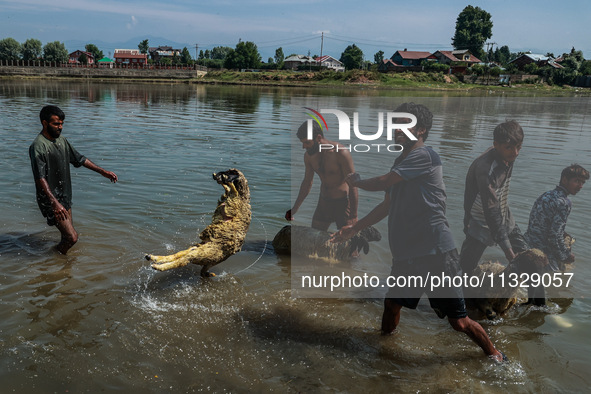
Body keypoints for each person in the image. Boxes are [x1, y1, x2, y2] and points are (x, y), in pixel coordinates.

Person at [331, 103, 506, 362]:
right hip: (408, 254)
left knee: (459, 322)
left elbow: (383, 183)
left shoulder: (425, 155)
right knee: (391, 305)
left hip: (436, 252)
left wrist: (356, 181)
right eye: (395, 124)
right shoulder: (401, 160)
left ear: (421, 130)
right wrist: (354, 228)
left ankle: (496, 356)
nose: (396, 129)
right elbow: (387, 205)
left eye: (404, 124)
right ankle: (384, 352)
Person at [29, 105, 118, 254]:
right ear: (44, 123)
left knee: (67, 236)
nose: (60, 127)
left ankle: (61, 261)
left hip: (64, 196)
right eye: (56, 124)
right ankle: (52, 258)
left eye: (62, 124)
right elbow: (40, 178)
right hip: (51, 199)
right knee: (72, 237)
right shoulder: (38, 146)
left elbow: (79, 159)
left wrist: (102, 171)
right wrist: (54, 203)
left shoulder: (62, 141)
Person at [459, 121, 529, 276]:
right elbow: (490, 211)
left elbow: (496, 208)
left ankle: (533, 299)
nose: (515, 153)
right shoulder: (486, 169)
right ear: (496, 145)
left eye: (519, 147)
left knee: (527, 257)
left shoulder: (508, 154)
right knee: (465, 268)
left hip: (503, 213)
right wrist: (507, 250)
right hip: (480, 220)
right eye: (509, 147)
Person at [286, 120, 358, 231]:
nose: (304, 147)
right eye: (302, 143)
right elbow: (307, 182)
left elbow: (353, 184)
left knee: (349, 243)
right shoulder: (309, 156)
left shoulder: (341, 153)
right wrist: (295, 208)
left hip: (343, 204)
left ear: (319, 138)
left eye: (307, 143)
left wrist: (353, 216)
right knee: (314, 239)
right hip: (323, 203)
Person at [525, 164, 588, 271]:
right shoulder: (564, 202)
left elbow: (541, 224)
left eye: (582, 182)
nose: (580, 186)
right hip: (542, 252)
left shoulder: (546, 195)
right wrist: (566, 256)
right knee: (556, 279)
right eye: (577, 181)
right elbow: (554, 236)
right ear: (564, 180)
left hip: (527, 243)